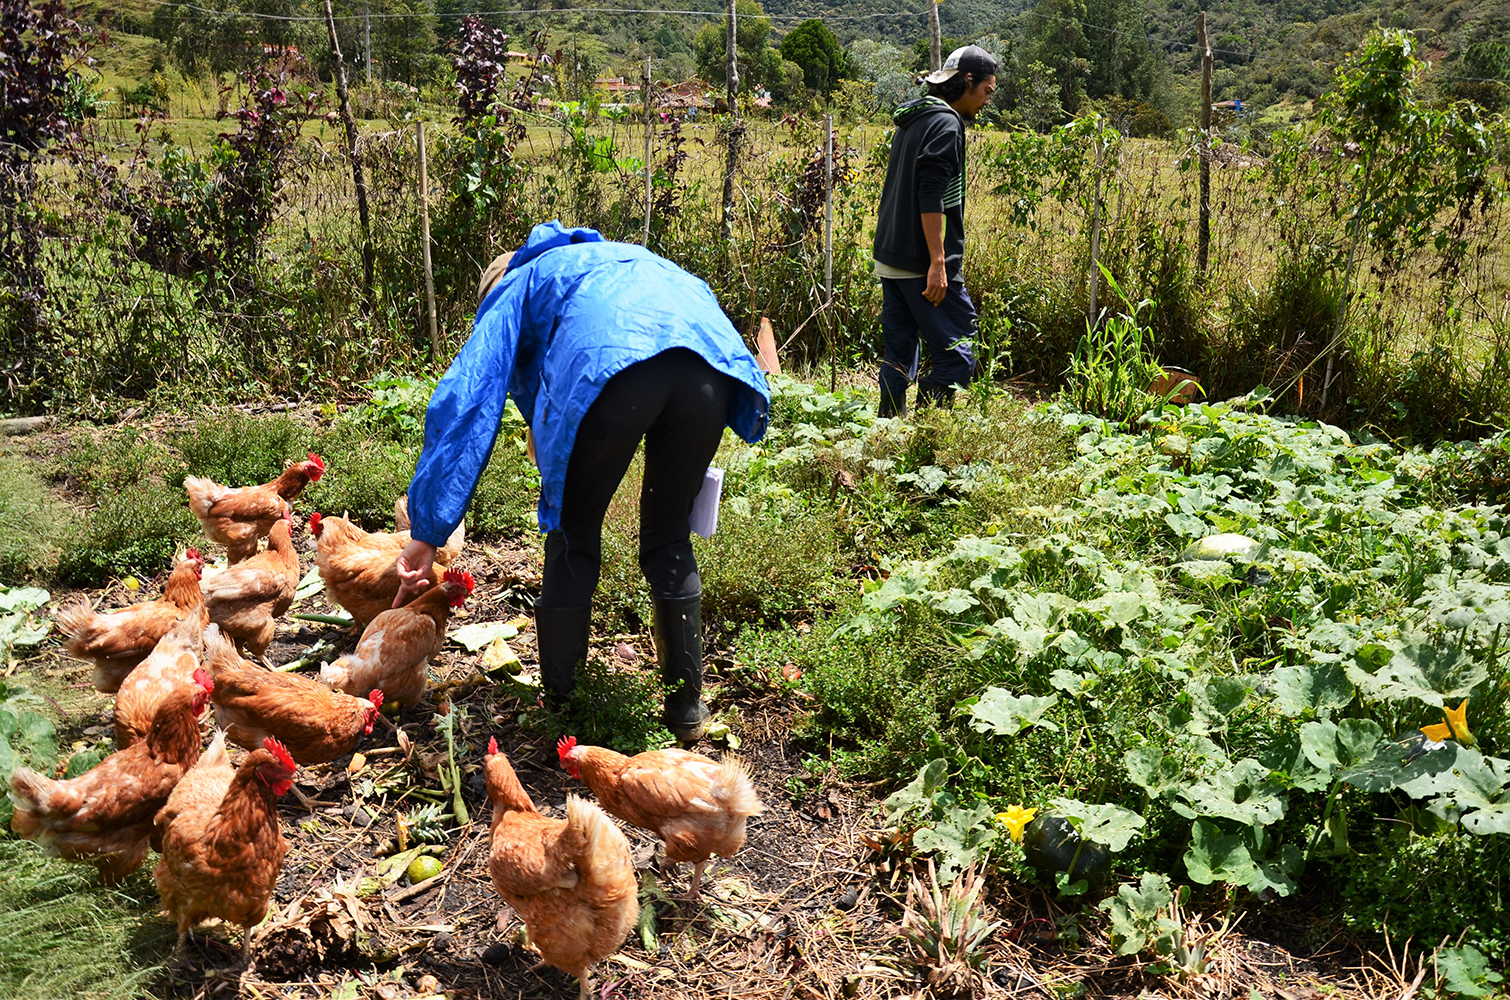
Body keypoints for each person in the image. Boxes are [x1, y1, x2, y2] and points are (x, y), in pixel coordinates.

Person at [391, 221, 770, 741]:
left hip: (614, 371)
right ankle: (686, 711)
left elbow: (467, 401)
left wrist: (428, 530)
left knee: (573, 535)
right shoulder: (613, 259)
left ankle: (566, 712)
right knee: (668, 537)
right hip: (708, 370)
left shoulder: (518, 284)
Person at [871, 44, 998, 417]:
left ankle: (889, 427)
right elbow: (931, 194)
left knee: (899, 352)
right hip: (921, 262)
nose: (987, 101)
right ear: (967, 81)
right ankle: (930, 429)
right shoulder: (946, 122)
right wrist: (939, 262)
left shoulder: (916, 119)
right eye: (987, 91)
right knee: (959, 354)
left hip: (892, 257)